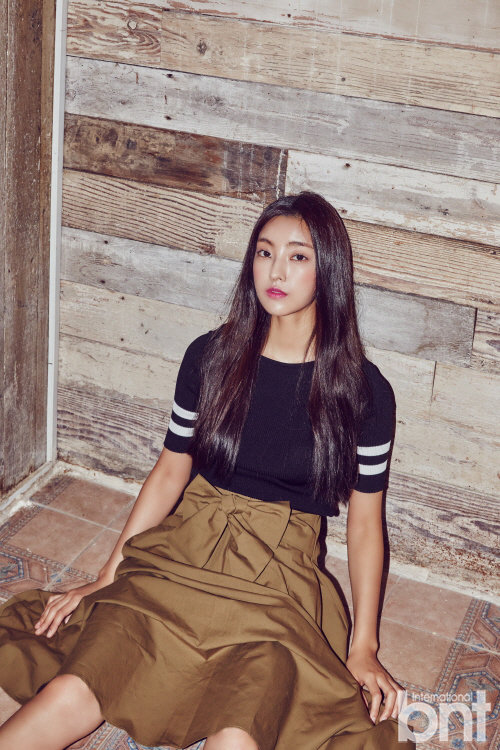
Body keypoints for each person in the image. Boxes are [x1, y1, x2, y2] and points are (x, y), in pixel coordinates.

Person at [0, 192, 416, 750]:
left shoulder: (364, 391)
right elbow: (171, 470)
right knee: (78, 682)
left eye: (298, 256)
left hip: (280, 573)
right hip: (186, 545)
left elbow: (366, 525)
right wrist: (107, 574)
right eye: (264, 252)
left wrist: (363, 646)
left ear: (330, 271)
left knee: (243, 721)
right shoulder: (210, 356)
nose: (275, 271)